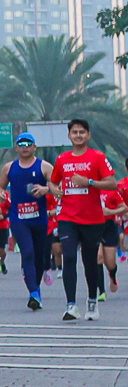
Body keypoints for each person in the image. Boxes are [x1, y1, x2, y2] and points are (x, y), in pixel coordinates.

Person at [51, 116, 114, 321]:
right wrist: (55, 190)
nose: (78, 135)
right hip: (67, 218)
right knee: (68, 257)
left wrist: (89, 182)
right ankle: (71, 306)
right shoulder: (62, 159)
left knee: (90, 262)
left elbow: (111, 183)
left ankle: (92, 302)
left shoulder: (97, 157)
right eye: (74, 132)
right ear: (69, 136)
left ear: (88, 135)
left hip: (92, 219)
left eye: (82, 132)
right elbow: (53, 181)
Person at [1, 132, 52, 311]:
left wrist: (45, 189)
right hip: (18, 219)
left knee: (39, 257)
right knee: (27, 252)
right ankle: (33, 293)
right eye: (21, 144)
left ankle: (36, 287)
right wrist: (0, 194)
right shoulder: (9, 168)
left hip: (39, 219)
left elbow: (58, 187)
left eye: (28, 144)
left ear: (34, 147)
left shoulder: (44, 166)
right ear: (15, 147)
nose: (25, 147)